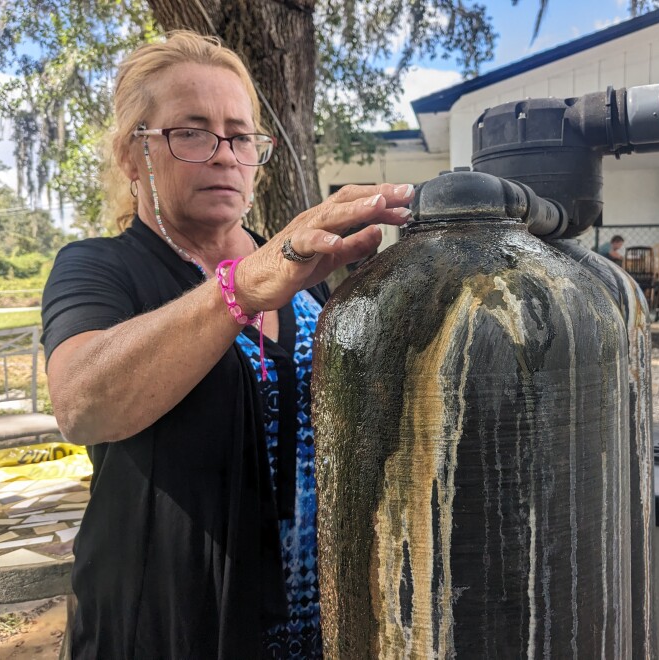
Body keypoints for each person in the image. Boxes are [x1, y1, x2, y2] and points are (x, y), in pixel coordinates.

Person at [41, 31, 414, 659]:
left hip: (317, 626)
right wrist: (238, 289)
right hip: (167, 629)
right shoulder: (99, 268)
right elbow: (82, 404)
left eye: (241, 136)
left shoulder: (306, 278)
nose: (224, 155)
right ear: (133, 156)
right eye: (191, 132)